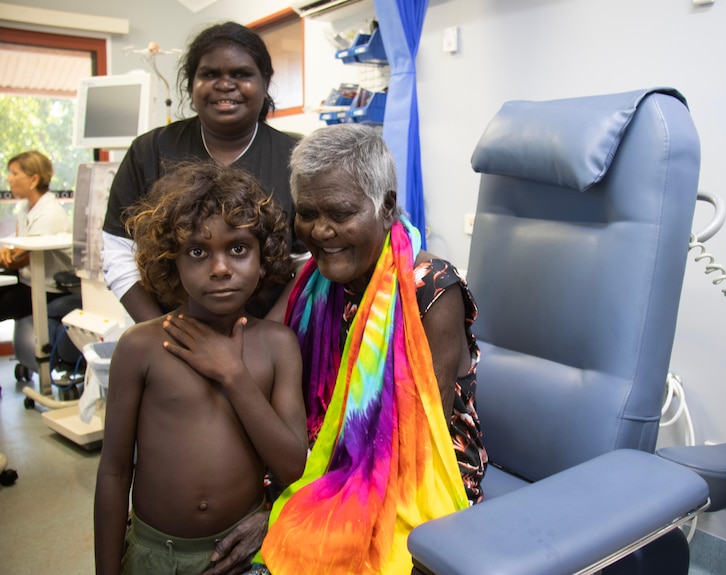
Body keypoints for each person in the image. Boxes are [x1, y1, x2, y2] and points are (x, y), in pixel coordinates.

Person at [207, 123, 487, 575]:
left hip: (417, 466)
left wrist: (288, 507)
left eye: (340, 213)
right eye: (308, 213)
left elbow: (411, 439)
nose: (321, 231)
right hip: (328, 454)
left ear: (387, 206)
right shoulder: (312, 280)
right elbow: (271, 370)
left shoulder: (432, 288)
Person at [94, 162, 308, 575]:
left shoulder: (279, 345)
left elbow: (292, 467)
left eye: (238, 249)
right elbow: (115, 472)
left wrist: (234, 375)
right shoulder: (141, 347)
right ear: (170, 261)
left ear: (263, 257)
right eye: (197, 252)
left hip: (243, 556)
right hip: (154, 556)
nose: (221, 267)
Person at [101, 21, 301, 323]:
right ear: (190, 84)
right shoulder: (149, 150)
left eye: (241, 74)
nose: (225, 84)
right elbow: (117, 251)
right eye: (210, 74)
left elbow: (307, 261)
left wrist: (269, 335)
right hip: (170, 335)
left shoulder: (297, 158)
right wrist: (160, 333)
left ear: (265, 81)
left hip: (271, 335)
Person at [0, 150, 73, 321]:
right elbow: (15, 252)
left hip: (47, 289)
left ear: (34, 179)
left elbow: (19, 259)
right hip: (27, 280)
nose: (9, 179)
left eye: (15, 173)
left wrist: (7, 254)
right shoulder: (27, 208)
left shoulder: (49, 213)